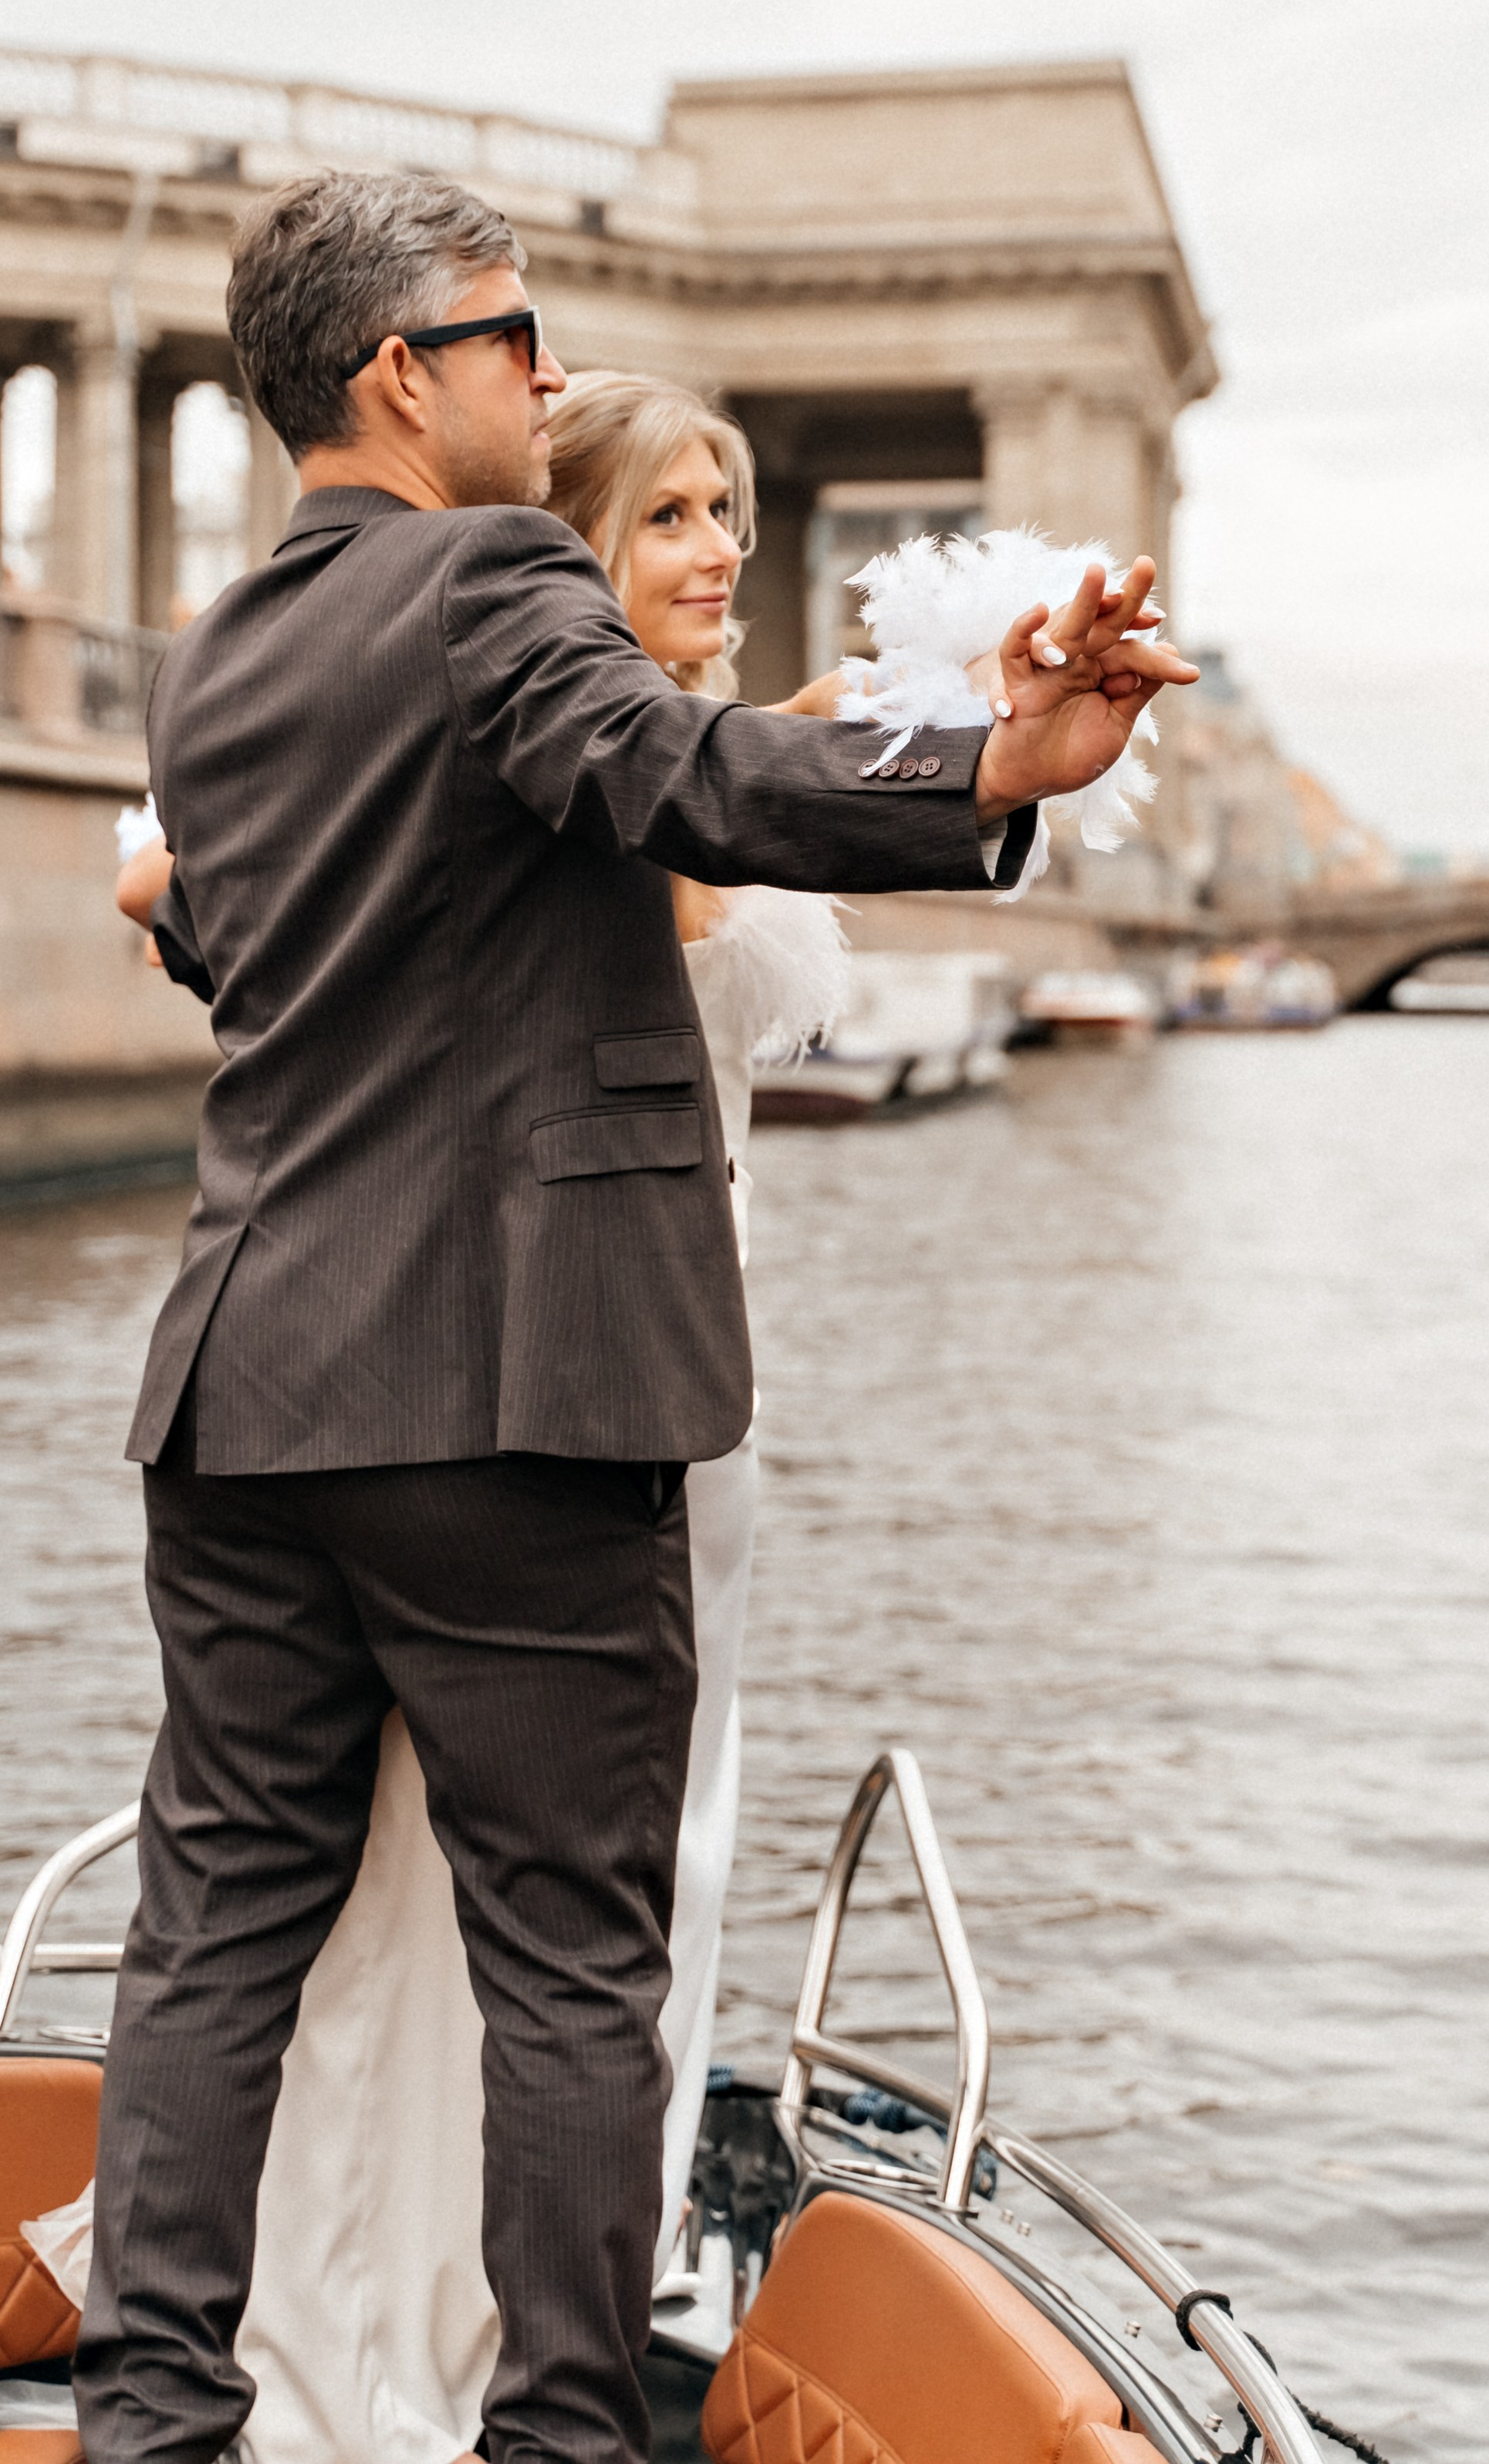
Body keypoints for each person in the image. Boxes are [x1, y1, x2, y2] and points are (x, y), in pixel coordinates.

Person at [76, 167, 1193, 2464]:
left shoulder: (222, 657)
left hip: (244, 1383)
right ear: (403, 373)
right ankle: (563, 2443)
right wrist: (989, 765)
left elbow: (299, 941)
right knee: (578, 1967)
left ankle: (152, 2425)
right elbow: (677, 767)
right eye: (513, 336)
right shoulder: (490, 576)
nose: (546, 370)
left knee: (212, 1944)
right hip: (514, 1401)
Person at [113, 363, 856, 2461]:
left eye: (731, 508)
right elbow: (689, 818)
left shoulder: (494, 741)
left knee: (306, 1908)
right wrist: (910, 741)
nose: (714, 552)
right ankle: (516, 2386)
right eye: (670, 518)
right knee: (544, 1936)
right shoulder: (586, 765)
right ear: (560, 559)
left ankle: (211, 2383)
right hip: (562, 1392)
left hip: (527, 1372)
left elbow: (224, 907)